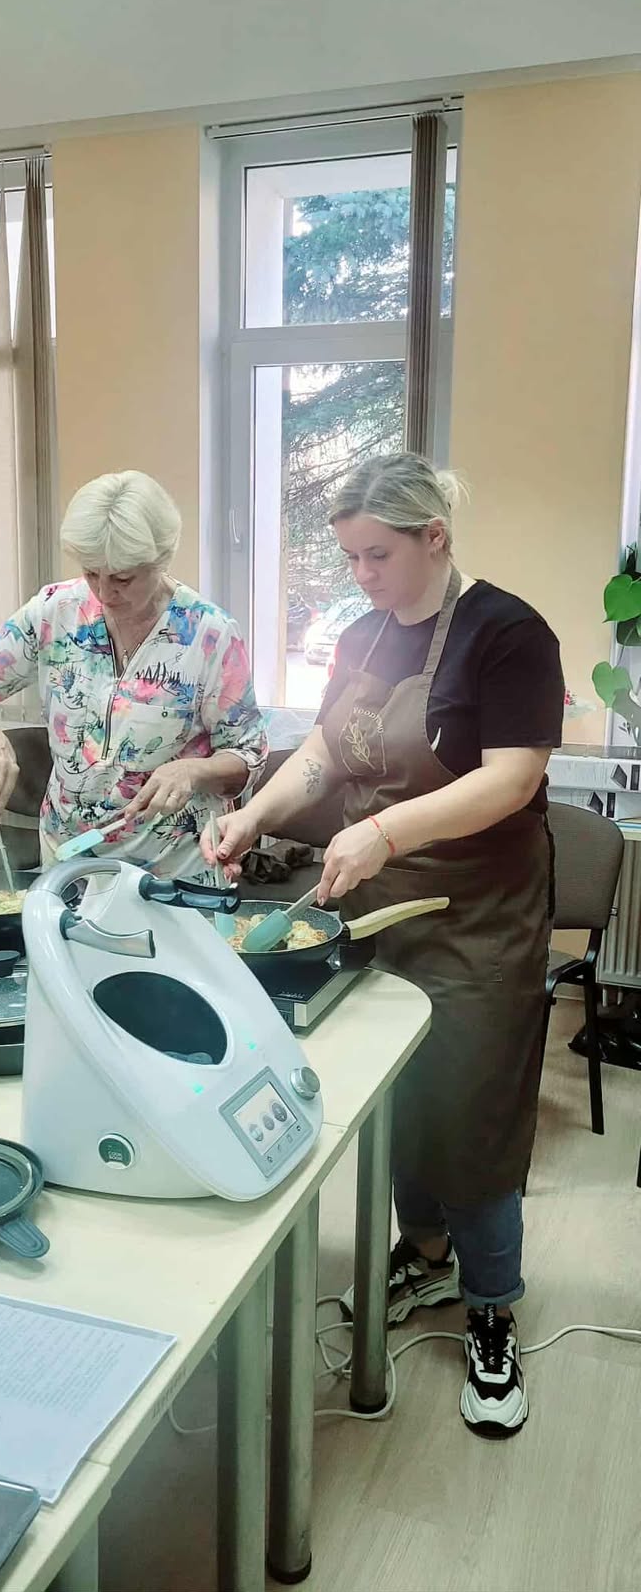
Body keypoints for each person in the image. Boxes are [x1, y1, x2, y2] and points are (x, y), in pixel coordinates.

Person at [202, 452, 565, 1438]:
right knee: (396, 1094)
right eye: (350, 558)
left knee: (474, 1106)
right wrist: (255, 814)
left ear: (434, 538)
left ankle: (492, 1310)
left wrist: (387, 831)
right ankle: (426, 1253)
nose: (360, 576)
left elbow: (511, 779)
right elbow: (325, 752)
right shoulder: (363, 636)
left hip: (480, 913)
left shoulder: (508, 633)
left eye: (377, 555)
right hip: (377, 904)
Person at [0, 470, 267, 879]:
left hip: (175, 871)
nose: (104, 593)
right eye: (92, 573)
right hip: (69, 864)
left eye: (123, 578)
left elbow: (247, 753)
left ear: (161, 559)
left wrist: (192, 771)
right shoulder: (56, 611)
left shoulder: (209, 634)